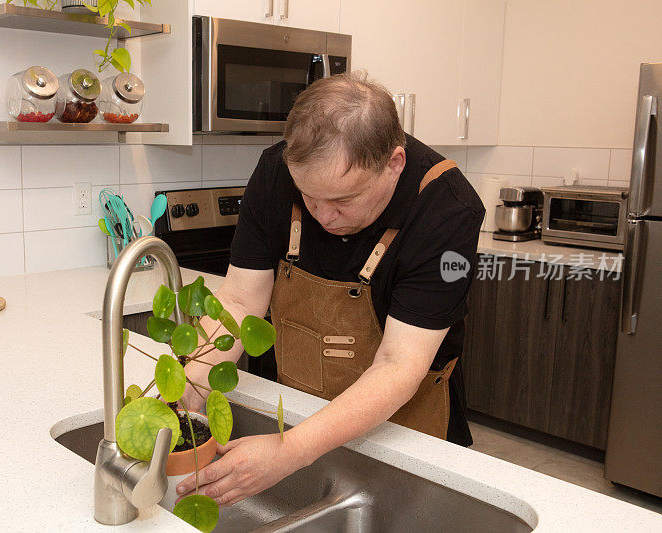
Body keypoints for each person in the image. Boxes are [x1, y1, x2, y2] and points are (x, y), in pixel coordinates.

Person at [176, 71, 485, 507]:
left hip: (407, 433)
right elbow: (240, 300)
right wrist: (192, 386)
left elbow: (399, 364)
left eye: (343, 200)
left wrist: (288, 452)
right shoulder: (274, 170)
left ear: (393, 163)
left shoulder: (447, 207)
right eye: (309, 196)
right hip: (301, 411)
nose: (324, 217)